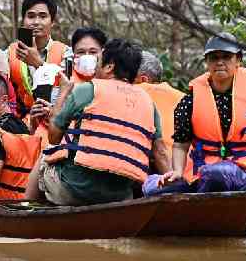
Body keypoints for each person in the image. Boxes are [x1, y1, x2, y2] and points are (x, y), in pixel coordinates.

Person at [25, 39, 169, 206]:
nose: (95, 67)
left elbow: (54, 137)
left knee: (48, 152)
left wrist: (64, 92)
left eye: (99, 61)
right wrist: (172, 185)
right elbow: (161, 153)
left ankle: (27, 211)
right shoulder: (148, 103)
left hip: (72, 192)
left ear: (109, 66)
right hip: (121, 196)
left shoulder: (87, 89)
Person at [156, 32, 246, 194]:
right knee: (154, 188)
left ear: (238, 60)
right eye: (214, 58)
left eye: (226, 57)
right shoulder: (190, 101)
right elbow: (181, 145)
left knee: (218, 173)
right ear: (207, 62)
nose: (220, 62)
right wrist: (177, 171)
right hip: (206, 172)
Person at [28, 27, 107, 136]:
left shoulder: (111, 82)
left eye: (93, 52)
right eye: (81, 52)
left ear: (103, 53)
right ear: (73, 54)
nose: (87, 56)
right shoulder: (57, 77)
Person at [6, 0, 73, 116]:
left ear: (52, 21)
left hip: (54, 120)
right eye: (30, 16)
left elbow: (69, 95)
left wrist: (38, 63)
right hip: (20, 122)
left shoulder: (66, 53)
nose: (36, 22)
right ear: (23, 20)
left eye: (43, 16)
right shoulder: (9, 53)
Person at [135, 50, 185, 160]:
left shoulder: (138, 92)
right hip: (193, 170)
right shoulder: (183, 97)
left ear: (143, 80)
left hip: (166, 168)